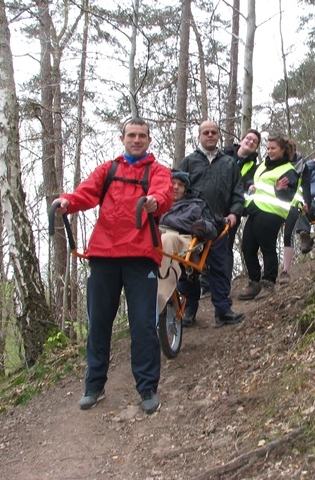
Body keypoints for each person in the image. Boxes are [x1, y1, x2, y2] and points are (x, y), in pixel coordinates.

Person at [52, 118, 173, 414]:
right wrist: (67, 202)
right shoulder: (109, 169)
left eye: (142, 136)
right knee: (99, 324)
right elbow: (86, 193)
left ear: (149, 140)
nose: (136, 140)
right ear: (122, 138)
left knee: (144, 325)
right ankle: (94, 385)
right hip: (104, 255)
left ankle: (147, 388)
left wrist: (154, 202)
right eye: (131, 135)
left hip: (140, 256)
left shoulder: (157, 170)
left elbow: (164, 193)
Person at [178, 120, 246, 327]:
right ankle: (188, 309)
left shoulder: (228, 164)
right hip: (191, 222)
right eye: (206, 132)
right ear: (199, 136)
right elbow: (177, 189)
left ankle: (223, 310)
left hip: (218, 222)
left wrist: (234, 213)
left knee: (219, 265)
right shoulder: (188, 162)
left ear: (218, 136)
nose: (210, 135)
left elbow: (238, 192)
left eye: (213, 132)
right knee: (187, 265)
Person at [237, 134, 299, 301]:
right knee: (247, 247)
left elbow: (288, 196)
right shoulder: (263, 165)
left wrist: (279, 189)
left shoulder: (289, 171)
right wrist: (250, 184)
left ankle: (269, 283)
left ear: (283, 150)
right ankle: (254, 281)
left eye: (273, 148)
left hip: (273, 212)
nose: (269, 151)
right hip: (255, 209)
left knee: (267, 247)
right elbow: (252, 178)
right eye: (268, 148)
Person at [157, 170, 221, 327]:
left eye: (181, 185)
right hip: (156, 236)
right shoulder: (157, 203)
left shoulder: (195, 205)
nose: (176, 187)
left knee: (167, 240)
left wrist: (202, 227)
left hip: (182, 237)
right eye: (173, 184)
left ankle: (158, 300)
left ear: (186, 189)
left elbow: (212, 226)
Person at [222, 129, 261, 279]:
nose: (250, 142)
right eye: (249, 139)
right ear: (242, 139)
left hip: (234, 208)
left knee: (226, 245)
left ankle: (224, 283)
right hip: (213, 204)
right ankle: (205, 285)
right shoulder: (223, 154)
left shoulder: (254, 167)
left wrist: (250, 187)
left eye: (254, 142)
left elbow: (249, 182)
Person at [278, 140, 309, 284]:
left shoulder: (302, 166)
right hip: (276, 203)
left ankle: (285, 271)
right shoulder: (277, 164)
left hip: (294, 203)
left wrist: (306, 202)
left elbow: (306, 185)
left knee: (288, 234)